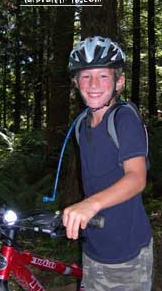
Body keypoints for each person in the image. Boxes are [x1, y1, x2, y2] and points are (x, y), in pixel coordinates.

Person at [62, 36, 153, 291]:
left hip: (125, 252)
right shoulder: (81, 124)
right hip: (93, 246)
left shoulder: (125, 119)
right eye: (85, 76)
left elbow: (136, 177)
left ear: (119, 82)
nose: (93, 84)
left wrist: (89, 205)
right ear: (75, 82)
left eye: (103, 76)